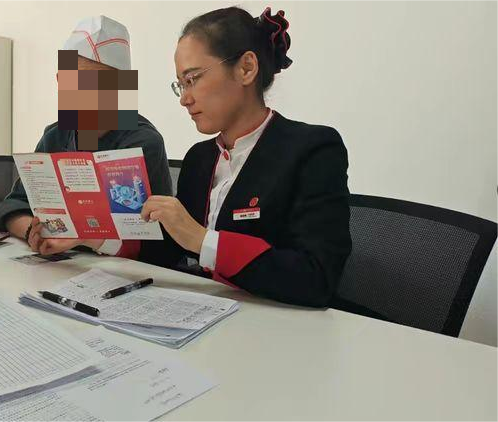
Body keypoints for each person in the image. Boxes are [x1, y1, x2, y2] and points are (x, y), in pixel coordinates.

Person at [35, 7, 351, 308]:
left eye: (193, 79)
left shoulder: (312, 149)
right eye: (180, 85)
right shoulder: (201, 158)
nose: (185, 99)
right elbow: (167, 253)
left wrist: (202, 241)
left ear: (246, 68)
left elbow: (316, 278)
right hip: (209, 313)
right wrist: (92, 238)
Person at [0, 16, 172, 250]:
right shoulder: (55, 136)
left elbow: (157, 243)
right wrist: (33, 232)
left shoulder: (143, 142)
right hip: (59, 261)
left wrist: (81, 239)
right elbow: (12, 206)